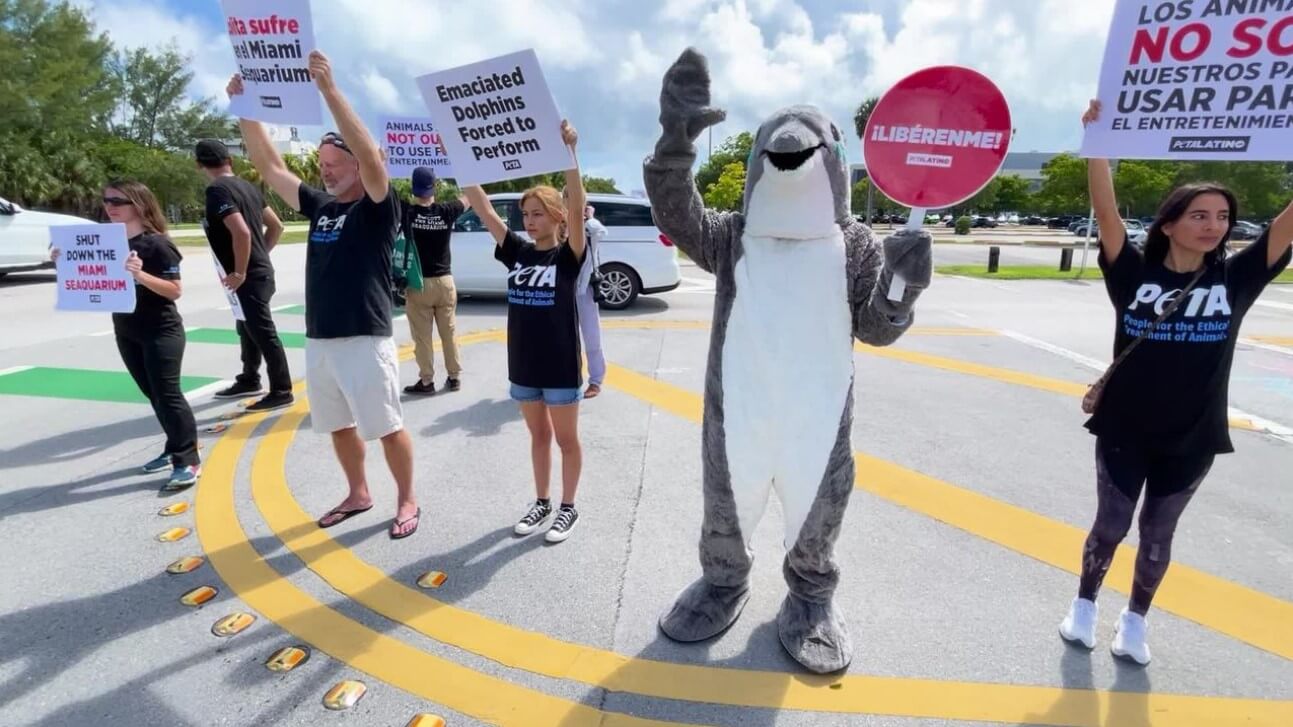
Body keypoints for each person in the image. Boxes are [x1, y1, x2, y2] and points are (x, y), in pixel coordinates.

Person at [1059, 99, 1292, 665]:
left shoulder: (1237, 279)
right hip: (1125, 427)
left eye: (1222, 218)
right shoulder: (1135, 274)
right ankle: (1085, 604)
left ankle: (1135, 621)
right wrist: (1098, 144)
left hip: (1193, 435)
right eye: (1200, 215)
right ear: (1169, 224)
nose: (1214, 226)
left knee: (1158, 535)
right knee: (1110, 526)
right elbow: (1107, 212)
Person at [226, 50, 421, 539]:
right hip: (322, 338)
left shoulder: (380, 207)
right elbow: (270, 167)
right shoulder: (320, 205)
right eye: (322, 163)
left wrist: (329, 91)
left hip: (365, 336)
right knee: (336, 424)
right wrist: (245, 108)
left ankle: (407, 498)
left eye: (336, 164)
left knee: (386, 426)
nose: (326, 171)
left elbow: (375, 160)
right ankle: (358, 492)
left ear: (358, 165)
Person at [460, 120, 587, 544]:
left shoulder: (569, 255)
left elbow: (577, 202)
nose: (529, 222)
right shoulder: (516, 251)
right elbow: (484, 209)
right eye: (526, 216)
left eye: (537, 214)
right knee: (538, 437)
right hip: (525, 365)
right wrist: (459, 157)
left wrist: (570, 153)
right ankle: (542, 501)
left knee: (566, 440)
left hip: (561, 365)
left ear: (556, 216)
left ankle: (568, 507)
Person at [54, 181, 201, 490]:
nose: (110, 205)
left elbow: (174, 291)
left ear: (139, 204)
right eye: (107, 200)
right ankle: (174, 445)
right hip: (127, 331)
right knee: (153, 395)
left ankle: (187, 459)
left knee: (167, 394)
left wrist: (139, 274)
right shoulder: (105, 243)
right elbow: (90, 278)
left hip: (161, 330)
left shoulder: (157, 245)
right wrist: (65, 261)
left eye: (118, 200)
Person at [194, 139, 294, 411]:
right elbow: (277, 226)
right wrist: (261, 255)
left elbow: (241, 232)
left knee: (262, 332)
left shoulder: (217, 190)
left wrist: (240, 269)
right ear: (231, 160)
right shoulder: (247, 187)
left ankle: (282, 389)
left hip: (247, 276)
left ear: (199, 165)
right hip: (259, 272)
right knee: (246, 326)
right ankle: (249, 377)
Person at [401, 166, 470, 395]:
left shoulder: (407, 212)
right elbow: (469, 196)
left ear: (413, 187)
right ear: (435, 187)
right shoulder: (447, 211)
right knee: (449, 332)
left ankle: (427, 380)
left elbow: (380, 194)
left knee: (422, 337)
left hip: (419, 283)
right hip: (445, 281)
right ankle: (454, 376)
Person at [575, 203, 607, 398]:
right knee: (565, 339)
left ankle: (596, 380)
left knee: (591, 336)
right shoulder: (559, 225)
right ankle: (568, 380)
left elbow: (600, 232)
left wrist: (589, 217)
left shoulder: (589, 229)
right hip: (561, 289)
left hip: (584, 288)